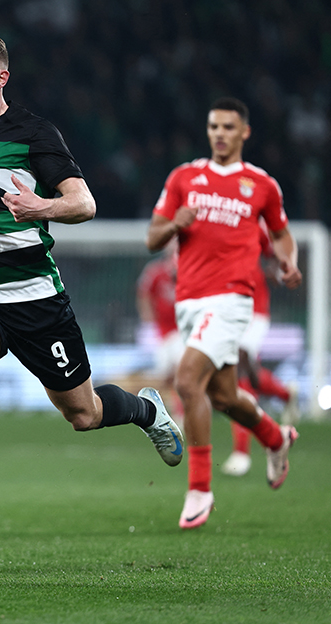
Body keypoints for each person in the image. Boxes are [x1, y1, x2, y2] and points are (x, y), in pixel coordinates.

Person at [0, 29, 183, 564]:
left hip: (33, 297)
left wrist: (40, 208)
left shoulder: (33, 133)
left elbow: (83, 203)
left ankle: (146, 410)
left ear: (1, 77)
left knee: (84, 413)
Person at [146, 97, 302, 530]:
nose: (219, 133)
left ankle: (199, 488)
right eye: (214, 126)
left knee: (187, 380)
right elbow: (153, 238)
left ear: (244, 132)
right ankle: (275, 437)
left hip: (233, 299)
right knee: (224, 397)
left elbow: (282, 234)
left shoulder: (262, 184)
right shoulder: (184, 177)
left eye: (228, 127)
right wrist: (175, 223)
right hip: (189, 302)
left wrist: (287, 261)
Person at [223, 223, 299, 476]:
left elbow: (278, 249)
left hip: (253, 309)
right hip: (224, 309)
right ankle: (284, 394)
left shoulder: (252, 221)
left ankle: (241, 452)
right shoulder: (211, 215)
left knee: (238, 371)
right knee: (242, 377)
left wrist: (280, 269)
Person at [135, 243, 183, 419]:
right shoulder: (155, 271)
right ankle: (153, 408)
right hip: (161, 331)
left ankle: (179, 411)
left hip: (182, 331)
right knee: (164, 376)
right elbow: (144, 293)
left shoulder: (189, 271)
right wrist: (147, 317)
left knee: (179, 371)